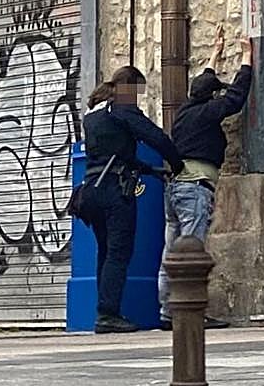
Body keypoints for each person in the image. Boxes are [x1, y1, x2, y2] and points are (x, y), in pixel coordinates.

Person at [73, 66, 184, 334]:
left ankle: (104, 310)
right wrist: (177, 163)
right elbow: (155, 137)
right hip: (114, 192)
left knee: (105, 251)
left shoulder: (93, 115)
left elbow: (114, 155)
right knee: (119, 252)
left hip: (91, 190)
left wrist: (151, 171)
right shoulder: (123, 109)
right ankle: (108, 314)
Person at [158, 29, 254, 329]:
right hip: (194, 189)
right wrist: (247, 58)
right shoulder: (208, 112)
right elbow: (235, 99)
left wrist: (215, 52)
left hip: (174, 189)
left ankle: (168, 311)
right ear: (212, 96)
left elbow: (203, 82)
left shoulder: (186, 111)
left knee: (171, 253)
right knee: (193, 254)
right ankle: (192, 313)